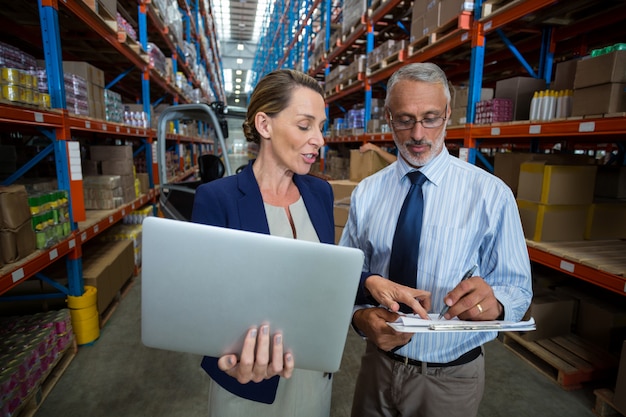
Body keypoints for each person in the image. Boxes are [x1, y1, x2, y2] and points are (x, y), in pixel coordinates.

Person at [339, 62, 533, 417]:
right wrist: (359, 318)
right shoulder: (367, 193)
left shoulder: (490, 194)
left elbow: (516, 287)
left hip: (450, 379)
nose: (417, 133)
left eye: (430, 118)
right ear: (388, 117)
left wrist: (498, 305)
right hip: (376, 367)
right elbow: (346, 273)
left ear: (447, 115)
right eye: (404, 119)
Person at [191, 69, 333, 416]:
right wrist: (229, 359)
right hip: (247, 381)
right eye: (304, 125)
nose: (319, 139)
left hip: (312, 375)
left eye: (321, 127)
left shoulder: (320, 193)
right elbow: (200, 304)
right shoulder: (218, 199)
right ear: (265, 126)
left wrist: (370, 282)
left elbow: (326, 276)